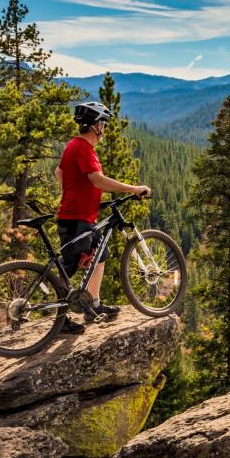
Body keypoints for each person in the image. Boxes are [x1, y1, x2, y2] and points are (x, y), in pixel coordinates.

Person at [54, 101, 150, 332]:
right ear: (96, 125)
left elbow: (59, 172)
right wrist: (134, 189)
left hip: (82, 216)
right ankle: (60, 321)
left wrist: (75, 191)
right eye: (103, 124)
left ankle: (93, 306)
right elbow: (97, 180)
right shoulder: (84, 148)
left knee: (100, 255)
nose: (104, 130)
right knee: (70, 266)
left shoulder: (73, 145)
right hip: (76, 218)